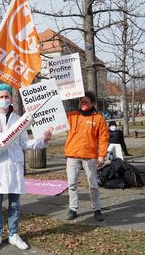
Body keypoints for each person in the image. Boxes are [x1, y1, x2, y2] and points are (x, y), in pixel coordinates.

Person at [0, 84, 52, 252]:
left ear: (11, 98)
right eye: (1, 97)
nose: (4, 99)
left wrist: (43, 140)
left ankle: (14, 234)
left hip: (14, 166)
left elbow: (25, 143)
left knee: (15, 204)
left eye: (6, 96)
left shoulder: (19, 120)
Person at [64, 92, 109, 222]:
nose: (83, 104)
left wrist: (102, 156)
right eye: (81, 102)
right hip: (72, 155)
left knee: (93, 185)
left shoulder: (99, 119)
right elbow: (56, 121)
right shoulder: (71, 116)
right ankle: (73, 209)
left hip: (90, 157)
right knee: (72, 184)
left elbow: (104, 138)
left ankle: (97, 209)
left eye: (86, 102)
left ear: (93, 104)